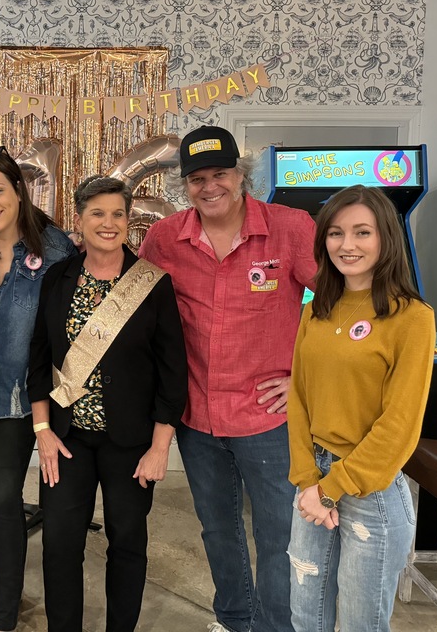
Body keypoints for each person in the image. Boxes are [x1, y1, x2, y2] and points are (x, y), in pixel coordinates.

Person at [139, 125, 316, 632]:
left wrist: (302, 377)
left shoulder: (290, 228)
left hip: (269, 418)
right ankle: (235, 619)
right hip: (197, 417)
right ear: (185, 185)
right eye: (197, 178)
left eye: (221, 173)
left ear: (242, 175)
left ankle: (276, 627)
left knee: (280, 535)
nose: (209, 186)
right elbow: (142, 316)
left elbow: (337, 306)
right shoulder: (164, 238)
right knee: (218, 531)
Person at [27, 176, 188, 632]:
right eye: (97, 213)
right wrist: (43, 432)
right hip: (66, 439)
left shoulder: (152, 284)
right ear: (78, 221)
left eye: (118, 214)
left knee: (128, 541)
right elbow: (38, 360)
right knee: (59, 544)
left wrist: (160, 448)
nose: (109, 223)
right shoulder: (57, 279)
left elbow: (173, 374)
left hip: (131, 443)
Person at [287, 184, 435, 632]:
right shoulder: (316, 308)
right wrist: (307, 480)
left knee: (358, 623)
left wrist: (334, 486)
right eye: (335, 233)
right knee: (304, 615)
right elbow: (298, 397)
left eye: (362, 232)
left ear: (386, 238)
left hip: (371, 490)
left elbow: (400, 425)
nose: (346, 245)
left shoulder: (412, 318)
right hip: (314, 480)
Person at [0, 147, 76, 632]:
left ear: (18, 190)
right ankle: (10, 583)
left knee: (3, 496)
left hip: (24, 398)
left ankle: (5, 608)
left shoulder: (56, 251)